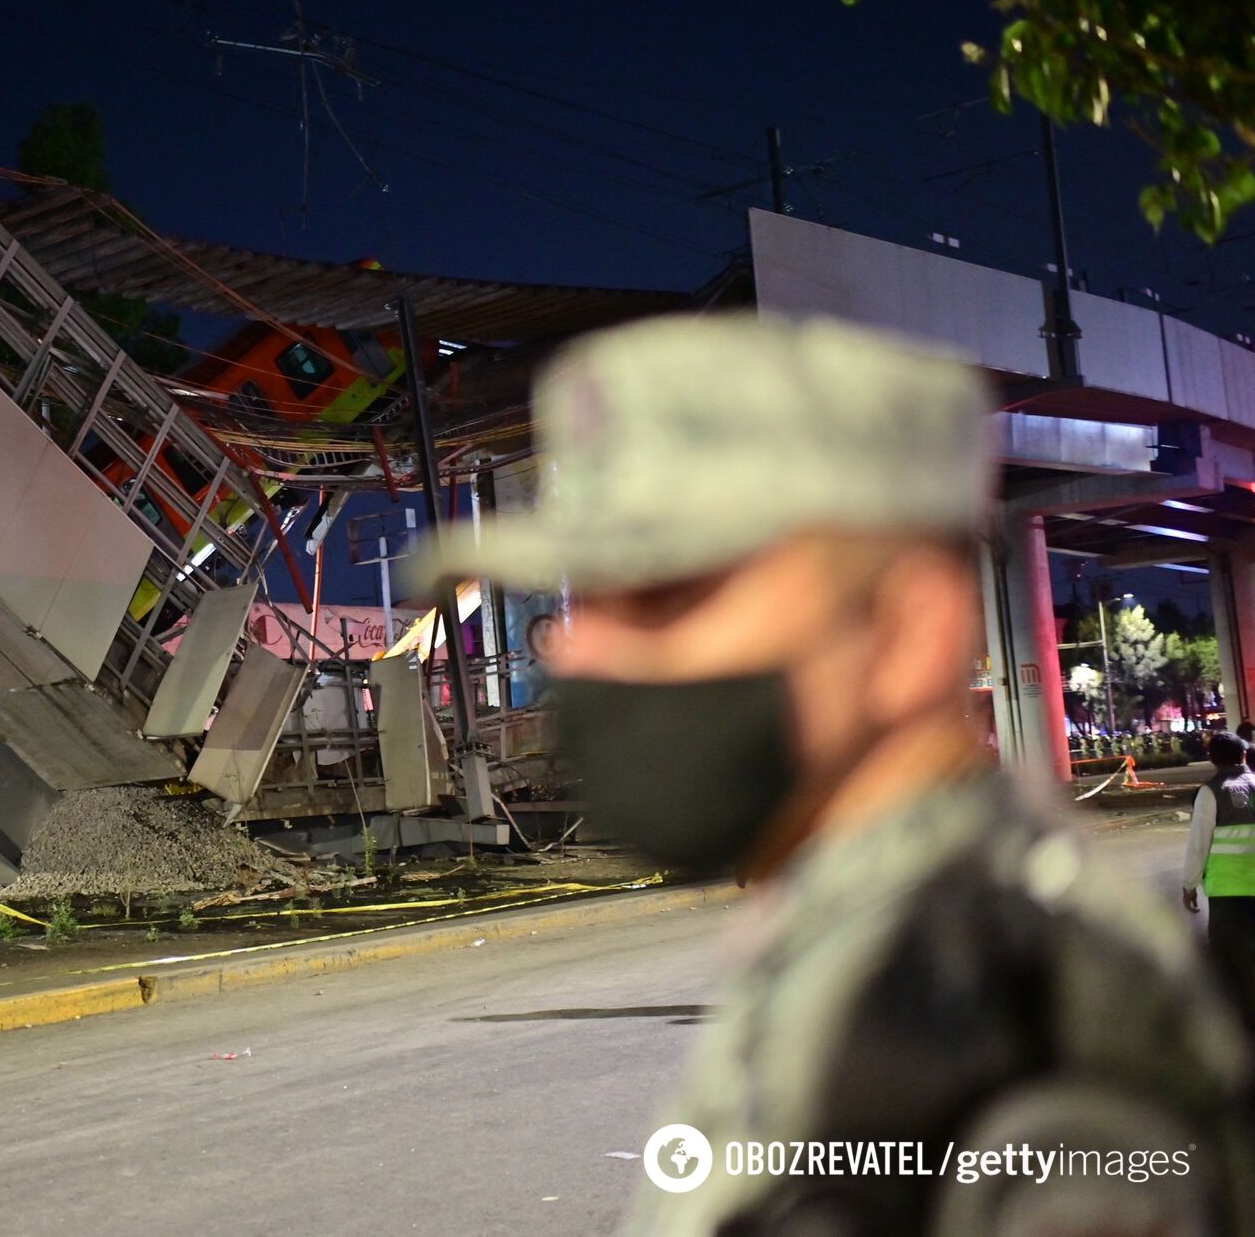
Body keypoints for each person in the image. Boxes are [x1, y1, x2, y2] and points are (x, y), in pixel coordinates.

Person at [417, 314, 1255, 1232]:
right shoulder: (877, 956)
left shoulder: (1003, 1035)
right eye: (590, 597)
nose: (587, 655)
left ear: (907, 631)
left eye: (669, 593)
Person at [1186, 732, 1255, 1030]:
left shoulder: (1210, 792)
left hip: (1227, 889)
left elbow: (1199, 843)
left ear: (1212, 759)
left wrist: (1189, 884)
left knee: (1230, 958)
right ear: (1243, 755)